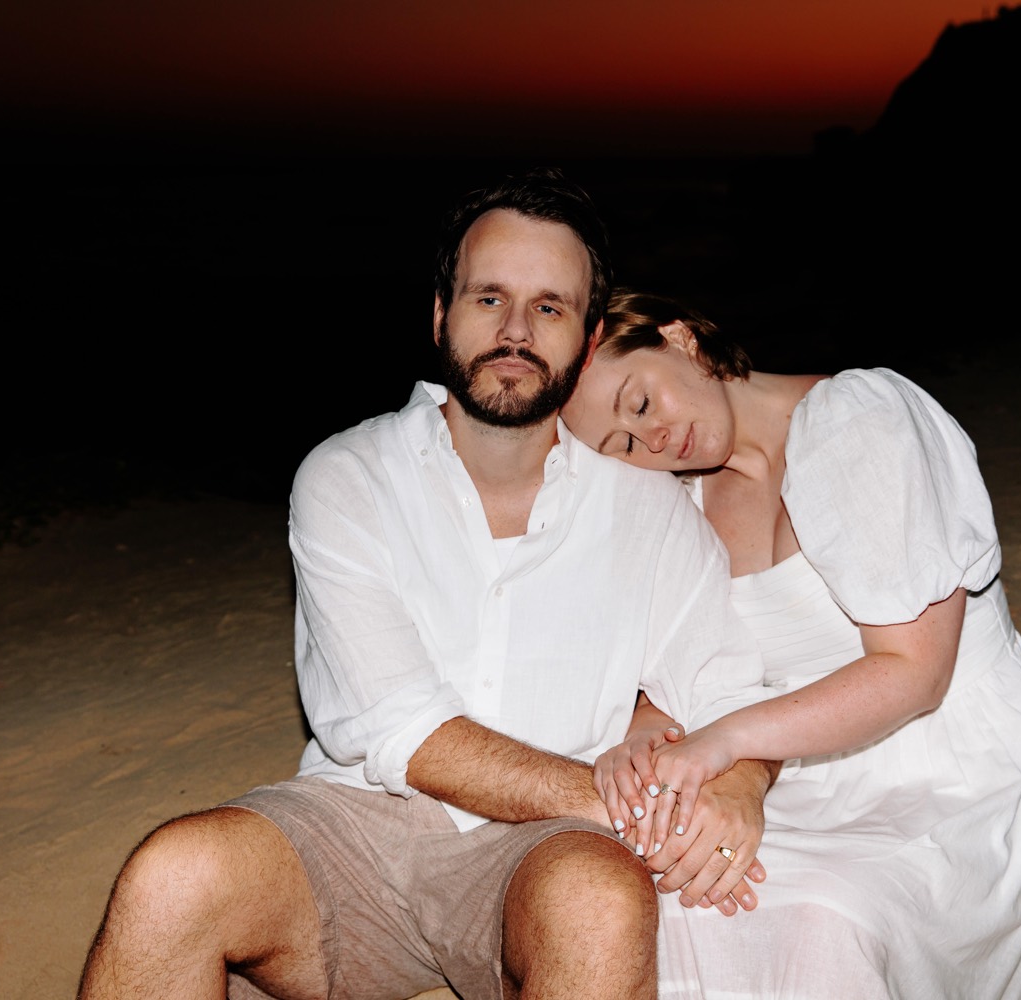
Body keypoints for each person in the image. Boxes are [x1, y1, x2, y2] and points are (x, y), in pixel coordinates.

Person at [76, 174, 779, 1000]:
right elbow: (404, 730)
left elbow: (730, 693)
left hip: (539, 854)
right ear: (441, 314)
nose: (516, 331)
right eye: (489, 298)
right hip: (357, 825)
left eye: (550, 308)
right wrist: (617, 808)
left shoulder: (651, 515)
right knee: (173, 874)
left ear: (588, 343)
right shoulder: (349, 475)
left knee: (596, 900)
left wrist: (739, 791)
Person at [561, 289, 1021, 1000]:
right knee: (663, 888)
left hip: (952, 768)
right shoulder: (678, 503)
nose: (651, 440)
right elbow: (686, 664)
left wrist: (726, 742)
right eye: (620, 444)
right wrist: (646, 725)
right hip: (800, 770)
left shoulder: (859, 421)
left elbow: (914, 675)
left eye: (642, 403)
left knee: (823, 914)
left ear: (682, 340)